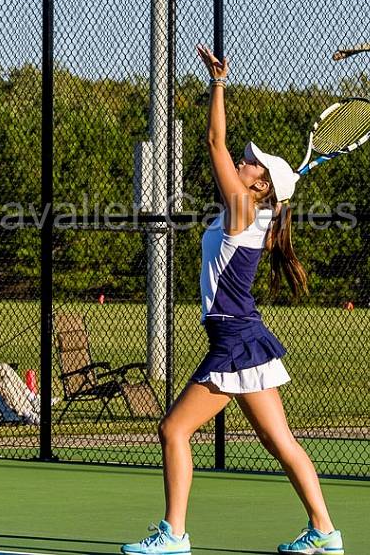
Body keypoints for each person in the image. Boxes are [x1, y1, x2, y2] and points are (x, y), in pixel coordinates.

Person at [121, 45, 340, 555]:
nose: (242, 162)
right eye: (247, 160)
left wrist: (219, 82)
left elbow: (214, 140)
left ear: (260, 185)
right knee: (279, 442)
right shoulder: (257, 211)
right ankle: (325, 532)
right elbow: (228, 152)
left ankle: (174, 535)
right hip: (244, 334)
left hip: (234, 339)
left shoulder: (244, 209)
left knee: (173, 429)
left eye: (251, 164)